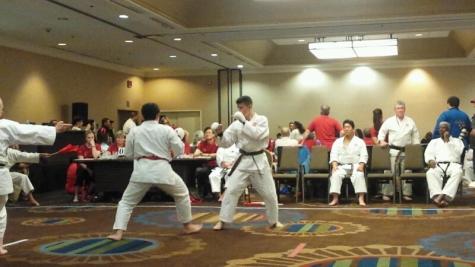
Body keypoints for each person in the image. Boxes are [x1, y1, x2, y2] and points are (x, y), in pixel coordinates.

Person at [107, 103, 202, 240]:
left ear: (142, 115)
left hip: (141, 170)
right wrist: (171, 155)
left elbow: (127, 154)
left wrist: (141, 155)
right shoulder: (166, 130)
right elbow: (179, 149)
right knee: (182, 193)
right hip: (162, 169)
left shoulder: (135, 131)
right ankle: (187, 225)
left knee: (126, 202)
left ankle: (118, 232)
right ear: (158, 115)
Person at [0, 97, 69, 255]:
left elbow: (14, 154)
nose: (3, 112)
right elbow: (26, 131)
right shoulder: (3, 126)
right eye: (2, 108)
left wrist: (37, 156)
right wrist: (54, 130)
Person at [212, 96, 281, 231]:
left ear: (250, 106)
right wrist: (219, 133)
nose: (239, 111)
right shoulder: (236, 123)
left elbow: (257, 135)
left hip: (259, 161)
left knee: (269, 193)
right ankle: (223, 221)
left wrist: (244, 122)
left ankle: (274, 221)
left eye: (242, 108)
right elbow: (225, 143)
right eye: (238, 108)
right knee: (231, 190)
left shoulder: (262, 120)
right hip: (243, 161)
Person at [378, 100, 420, 201]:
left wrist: (416, 147)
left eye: (402, 108)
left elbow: (415, 136)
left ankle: (406, 193)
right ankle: (387, 193)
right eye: (398, 108)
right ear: (395, 110)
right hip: (393, 150)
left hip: (406, 150)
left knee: (407, 171)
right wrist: (381, 141)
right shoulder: (389, 121)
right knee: (389, 171)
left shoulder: (410, 121)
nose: (400, 110)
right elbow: (381, 133)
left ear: (405, 109)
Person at [328, 120, 368, 206]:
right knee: (335, 174)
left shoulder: (360, 141)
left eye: (348, 127)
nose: (346, 129)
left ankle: (361, 199)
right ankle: (335, 198)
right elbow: (333, 154)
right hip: (342, 166)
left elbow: (364, 155)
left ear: (353, 129)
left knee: (359, 175)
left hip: (355, 165)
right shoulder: (338, 141)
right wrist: (334, 164)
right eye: (345, 127)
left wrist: (361, 165)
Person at [425, 121, 464, 207]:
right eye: (441, 128)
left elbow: (458, 154)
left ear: (449, 130)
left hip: (453, 164)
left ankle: (444, 197)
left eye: (445, 128)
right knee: (430, 173)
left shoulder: (457, 141)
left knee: (458, 172)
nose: (442, 129)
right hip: (438, 164)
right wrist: (430, 160)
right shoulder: (434, 142)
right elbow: (428, 153)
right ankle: (437, 195)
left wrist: (448, 141)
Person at [73, 130, 101, 203]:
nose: (91, 139)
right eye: (89, 138)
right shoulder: (82, 147)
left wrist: (93, 146)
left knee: (96, 174)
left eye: (92, 137)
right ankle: (75, 195)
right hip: (84, 166)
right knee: (80, 174)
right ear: (86, 138)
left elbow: (95, 156)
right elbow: (81, 161)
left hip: (94, 166)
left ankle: (90, 194)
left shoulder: (97, 146)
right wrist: (88, 170)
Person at [194, 127, 218, 198]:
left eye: (209, 132)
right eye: (206, 133)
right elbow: (195, 154)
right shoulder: (202, 143)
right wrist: (202, 153)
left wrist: (203, 154)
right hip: (204, 165)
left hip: (215, 166)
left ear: (213, 135)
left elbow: (216, 154)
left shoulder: (217, 143)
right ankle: (200, 192)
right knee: (198, 170)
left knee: (202, 171)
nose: (207, 134)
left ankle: (209, 192)